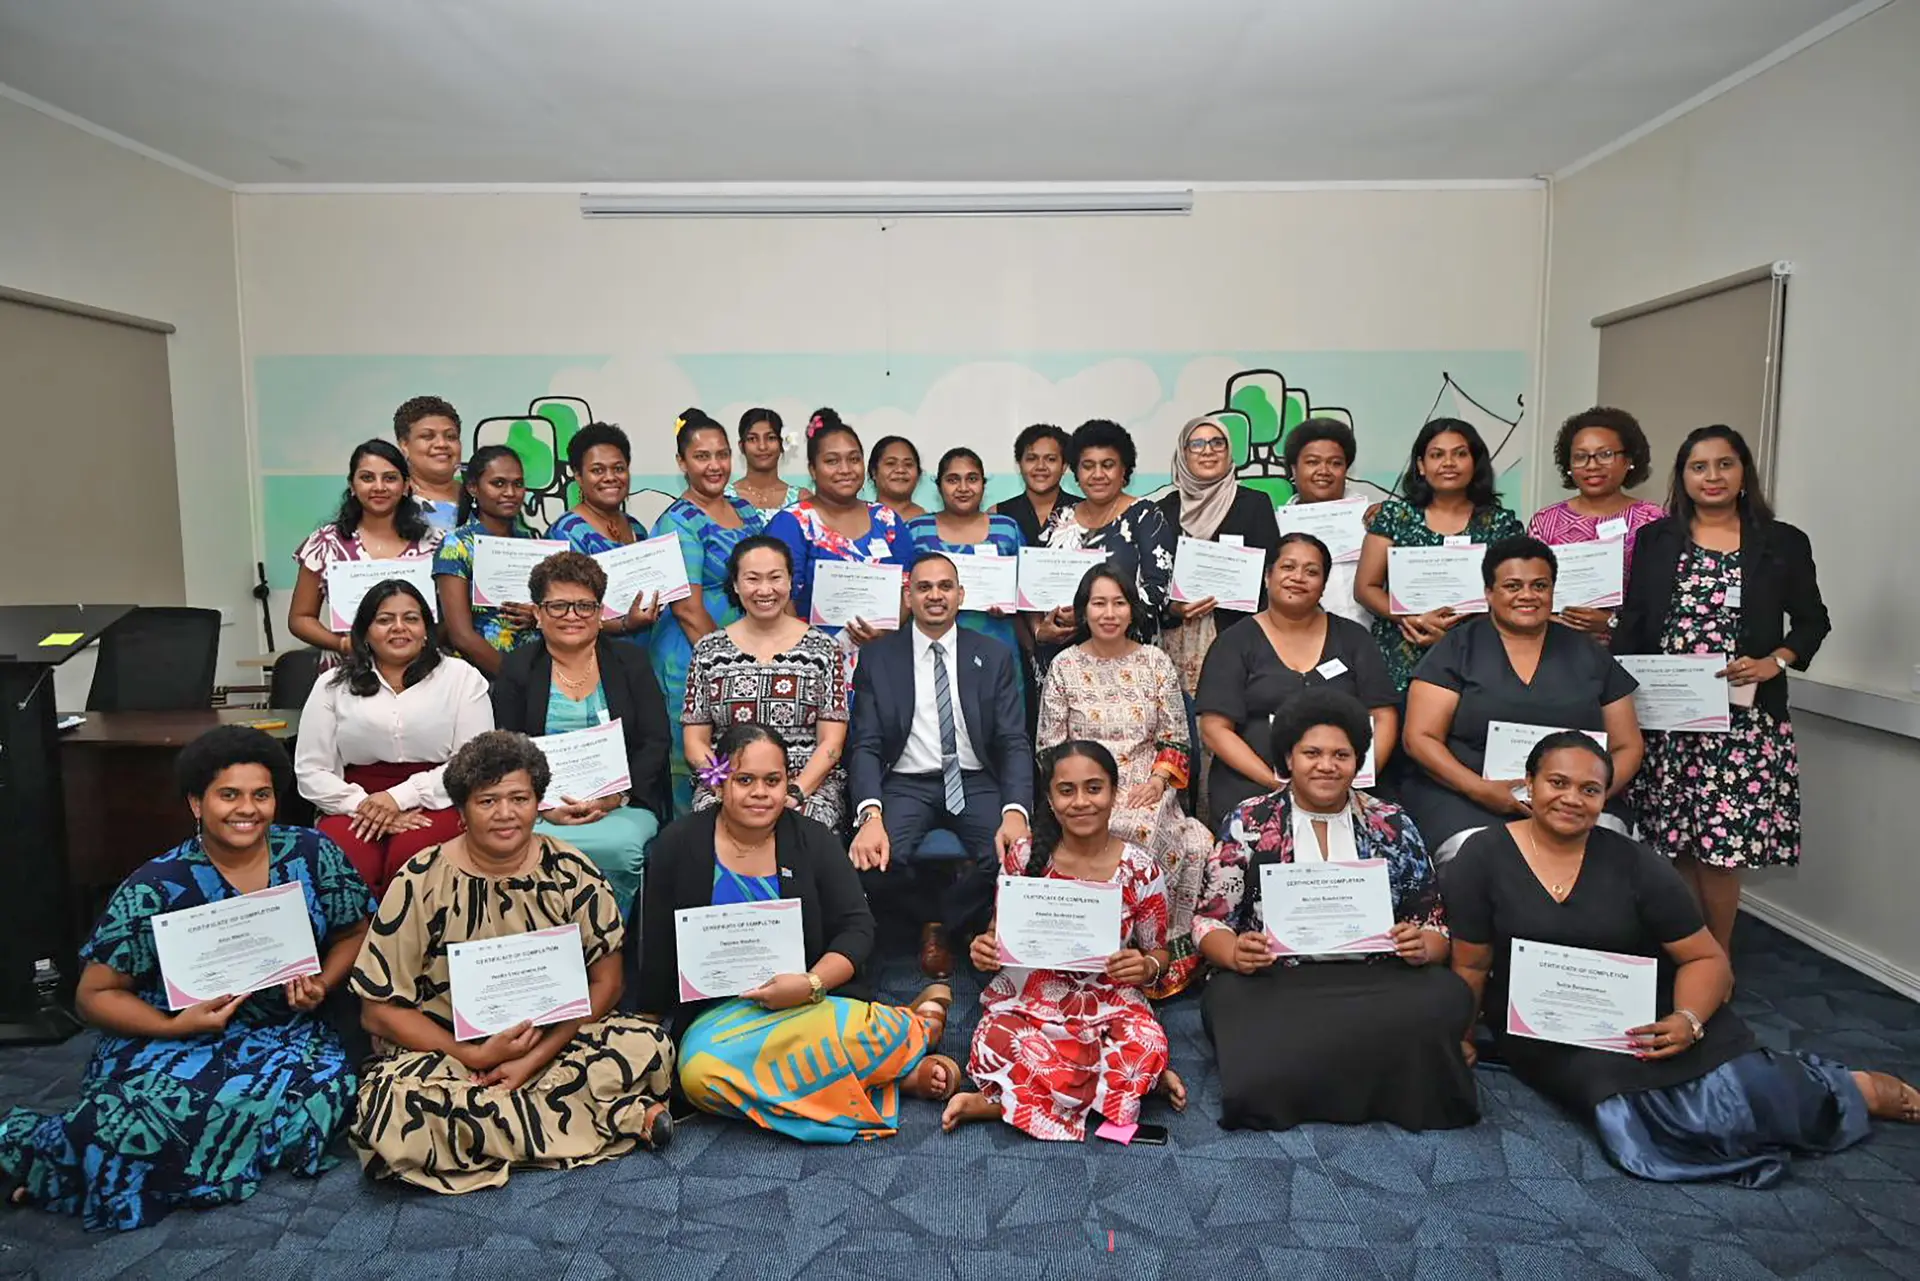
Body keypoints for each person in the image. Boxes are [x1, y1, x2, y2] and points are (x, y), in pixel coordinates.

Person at [1445, 733, 1916, 1186]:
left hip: (1650, 1004)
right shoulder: (1483, 856)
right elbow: (1470, 963)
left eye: (1590, 789)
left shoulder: (1636, 862)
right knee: (1633, 1118)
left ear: (1606, 797)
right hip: (1549, 1021)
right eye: (1557, 783)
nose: (1572, 798)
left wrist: (1687, 1019)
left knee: (1747, 1088)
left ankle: (1848, 1088)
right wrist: (1460, 1035)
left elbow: (1706, 959)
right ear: (1528, 783)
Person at [0, 727, 373, 1231]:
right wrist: (175, 1026)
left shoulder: (310, 853)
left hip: (286, 1032)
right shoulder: (156, 883)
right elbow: (93, 995)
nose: (248, 809)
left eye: (261, 795)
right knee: (132, 1121)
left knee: (295, 1103)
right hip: (173, 1033)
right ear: (197, 802)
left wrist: (323, 984)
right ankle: (64, 1159)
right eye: (229, 795)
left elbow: (355, 929)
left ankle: (81, 1171)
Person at [349, 731, 675, 1194]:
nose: (505, 814)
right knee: (394, 1103)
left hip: (558, 1038)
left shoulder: (571, 868)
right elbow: (377, 1010)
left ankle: (490, 1134)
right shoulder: (421, 878)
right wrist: (473, 1054)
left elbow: (608, 982)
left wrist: (535, 1056)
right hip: (449, 1050)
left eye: (519, 798)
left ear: (539, 802)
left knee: (648, 1043)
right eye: (487, 801)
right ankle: (609, 1117)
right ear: (461, 812)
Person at [637, 723, 961, 1143]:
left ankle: (898, 1041)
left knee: (828, 1037)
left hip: (808, 1006)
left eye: (772, 781)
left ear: (788, 784)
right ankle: (894, 1071)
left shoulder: (812, 839)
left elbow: (858, 929)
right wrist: (646, 1028)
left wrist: (808, 984)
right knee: (699, 1077)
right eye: (745, 780)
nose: (760, 793)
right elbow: (659, 944)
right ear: (718, 785)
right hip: (721, 1021)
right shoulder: (677, 845)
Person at [1196, 691, 1477, 1132]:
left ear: (1357, 761)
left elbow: (1433, 924)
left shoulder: (1392, 821)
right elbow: (1210, 920)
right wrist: (1235, 953)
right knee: (1227, 999)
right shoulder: (1248, 820)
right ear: (1288, 757)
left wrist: (1421, 945)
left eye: (1341, 755)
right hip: (1277, 980)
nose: (1326, 765)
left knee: (1447, 994)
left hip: (1376, 976)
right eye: (1312, 753)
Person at [1615, 425, 1829, 956]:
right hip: (1669, 717)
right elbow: (1638, 621)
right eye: (1698, 466)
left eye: (1724, 464)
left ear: (1743, 474)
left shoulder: (1782, 542)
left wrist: (1774, 662)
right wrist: (1616, 690)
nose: (1712, 476)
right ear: (1682, 477)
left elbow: (1812, 622)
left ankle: (1719, 956)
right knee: (1678, 844)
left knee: (1721, 848)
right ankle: (1690, 950)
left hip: (1741, 723)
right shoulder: (1657, 539)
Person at [942, 741, 1185, 1140]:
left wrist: (1146, 966)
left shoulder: (1140, 869)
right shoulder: (1024, 857)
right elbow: (996, 934)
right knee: (995, 1039)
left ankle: (1004, 1101)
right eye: (1066, 790)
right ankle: (1124, 1089)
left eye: (1094, 788)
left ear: (1113, 793)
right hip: (1030, 1002)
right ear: (1051, 799)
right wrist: (984, 949)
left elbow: (1158, 951)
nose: (1081, 802)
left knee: (1145, 1043)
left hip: (1108, 1003)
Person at [1400, 536, 1644, 863]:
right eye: (1513, 586)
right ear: (1489, 593)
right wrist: (1480, 789)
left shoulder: (1588, 652)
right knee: (1473, 856)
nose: (1527, 595)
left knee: (1610, 854)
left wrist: (1588, 793)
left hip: (1576, 799)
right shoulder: (1457, 648)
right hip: (1470, 797)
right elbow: (1420, 738)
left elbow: (1628, 745)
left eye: (1539, 585)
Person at [848, 552, 1033, 980]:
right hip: (906, 782)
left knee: (1018, 856)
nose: (935, 595)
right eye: (924, 587)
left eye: (945, 587)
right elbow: (867, 745)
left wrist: (1015, 811)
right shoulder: (878, 657)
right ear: (908, 597)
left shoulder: (993, 654)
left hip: (973, 780)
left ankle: (940, 925)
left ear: (960, 595)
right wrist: (870, 815)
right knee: (871, 860)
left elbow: (1012, 741)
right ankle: (946, 924)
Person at [1037, 566, 1213, 997]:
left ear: (1131, 609)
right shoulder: (1065, 665)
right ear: (1084, 611)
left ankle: (1148, 957)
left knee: (1150, 828)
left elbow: (1176, 738)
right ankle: (1090, 948)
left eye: (1118, 602)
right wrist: (1076, 784)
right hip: (1084, 778)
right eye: (1099, 603)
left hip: (1144, 778)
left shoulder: (1155, 662)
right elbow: (1048, 746)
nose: (1109, 612)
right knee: (1100, 822)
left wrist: (1158, 780)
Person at [489, 551, 673, 914]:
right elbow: (506, 749)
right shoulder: (518, 667)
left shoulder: (630, 663)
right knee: (523, 844)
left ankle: (610, 945)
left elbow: (655, 741)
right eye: (558, 606)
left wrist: (613, 798)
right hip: (541, 808)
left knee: (621, 847)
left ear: (601, 614)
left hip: (621, 804)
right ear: (538, 614)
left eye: (584, 606)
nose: (572, 616)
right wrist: (544, 805)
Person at [294, 580, 492, 895]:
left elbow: (474, 762)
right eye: (384, 620)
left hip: (439, 798)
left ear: (427, 628)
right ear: (365, 632)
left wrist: (398, 798)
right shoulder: (332, 684)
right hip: (355, 802)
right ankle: (354, 943)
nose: (399, 628)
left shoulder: (461, 678)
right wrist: (365, 805)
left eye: (411, 618)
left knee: (414, 856)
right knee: (344, 857)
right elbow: (311, 769)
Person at [1197, 532, 1399, 824]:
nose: (1298, 577)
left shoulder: (1354, 638)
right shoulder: (1234, 642)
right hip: (1255, 786)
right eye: (1288, 567)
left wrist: (1354, 779)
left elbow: (1384, 717)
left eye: (1311, 571)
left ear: (1323, 585)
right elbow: (1215, 730)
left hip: (1345, 787)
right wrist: (1276, 784)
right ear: (1268, 576)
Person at [682, 536, 850, 829]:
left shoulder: (824, 648)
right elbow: (695, 742)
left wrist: (794, 792)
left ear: (790, 582)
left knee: (803, 828)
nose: (765, 590)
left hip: (805, 784)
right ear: (735, 584)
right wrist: (725, 787)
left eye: (775, 578)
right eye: (752, 579)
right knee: (711, 825)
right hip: (726, 785)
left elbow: (831, 742)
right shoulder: (708, 650)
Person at [1355, 417, 1525, 693]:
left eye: (1460, 454)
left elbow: (1513, 591)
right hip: (1401, 648)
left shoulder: (1501, 523)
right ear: (1421, 466)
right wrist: (1412, 619)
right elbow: (1365, 587)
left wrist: (1455, 633)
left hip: (1476, 651)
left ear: (1475, 463)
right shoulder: (1394, 516)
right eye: (1437, 455)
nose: (1448, 463)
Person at [651, 411, 765, 813]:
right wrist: (731, 665)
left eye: (722, 454)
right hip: (695, 656)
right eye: (702, 456)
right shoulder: (676, 521)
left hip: (750, 652)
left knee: (747, 761)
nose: (714, 465)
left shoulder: (747, 512)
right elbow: (686, 608)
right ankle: (693, 857)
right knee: (699, 767)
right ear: (682, 462)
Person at [762, 409, 912, 656]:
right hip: (809, 661)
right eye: (832, 461)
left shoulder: (886, 519)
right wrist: (813, 650)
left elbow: (909, 585)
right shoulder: (793, 523)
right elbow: (777, 596)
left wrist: (886, 631)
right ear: (812, 469)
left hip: (883, 658)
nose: (845, 469)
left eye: (853, 459)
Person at [1155, 414, 1282, 697]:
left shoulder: (1254, 503)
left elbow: (1271, 574)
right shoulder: (1163, 510)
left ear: (1228, 452)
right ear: (1183, 454)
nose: (1208, 450)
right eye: (1196, 444)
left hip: (1237, 634)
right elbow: (1152, 579)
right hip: (1179, 638)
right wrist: (1172, 608)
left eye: (1217, 443)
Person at [1034, 419, 1175, 673]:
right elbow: (1033, 589)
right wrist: (1040, 629)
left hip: (1127, 665)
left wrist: (1085, 617)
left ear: (1124, 471)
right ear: (1076, 472)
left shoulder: (1145, 516)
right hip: (1062, 664)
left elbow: (1156, 594)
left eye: (1107, 465)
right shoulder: (1059, 520)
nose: (1097, 474)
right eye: (1088, 466)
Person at [288, 439, 442, 666]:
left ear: (406, 485)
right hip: (349, 670)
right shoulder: (325, 543)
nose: (379, 487)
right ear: (352, 485)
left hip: (420, 669)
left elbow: (452, 617)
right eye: (367, 478)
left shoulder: (434, 542)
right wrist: (342, 644)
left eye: (390, 478)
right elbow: (300, 619)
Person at [1528, 407, 1666, 643]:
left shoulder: (1652, 519)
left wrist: (1611, 623)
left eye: (1605, 454)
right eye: (1581, 456)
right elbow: (1528, 587)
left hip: (1628, 651)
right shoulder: (1545, 522)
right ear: (1569, 465)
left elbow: (1662, 597)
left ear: (1628, 461)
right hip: (1554, 649)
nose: (1592, 465)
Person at [906, 446, 1026, 697]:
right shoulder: (916, 529)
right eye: (953, 480)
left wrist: (1012, 604)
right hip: (931, 647)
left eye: (972, 479)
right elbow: (903, 590)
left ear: (983, 484)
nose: (963, 488)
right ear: (939, 486)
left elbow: (1027, 589)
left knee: (1001, 723)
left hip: (997, 643)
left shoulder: (1007, 528)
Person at [545, 420, 663, 663]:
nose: (610, 477)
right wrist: (624, 624)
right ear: (578, 475)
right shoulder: (567, 533)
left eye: (618, 468)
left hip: (640, 661)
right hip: (591, 665)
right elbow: (566, 612)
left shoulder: (637, 528)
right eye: (598, 470)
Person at [434, 444, 542, 676]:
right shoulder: (457, 545)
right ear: (473, 487)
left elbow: (550, 612)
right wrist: (513, 681)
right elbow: (461, 636)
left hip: (538, 669)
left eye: (518, 484)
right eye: (498, 483)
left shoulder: (531, 543)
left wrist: (538, 616)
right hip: (484, 680)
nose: (511, 493)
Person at [1280, 416, 1372, 626]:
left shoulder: (1374, 517)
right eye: (1312, 462)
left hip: (1369, 642)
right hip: (1302, 643)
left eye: (1335, 463)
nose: (1323, 471)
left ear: (1346, 470)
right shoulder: (1275, 526)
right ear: (1294, 469)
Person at [994, 422, 1078, 547]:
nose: (1040, 466)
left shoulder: (1084, 511)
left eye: (1051, 459)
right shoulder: (998, 514)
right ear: (1019, 465)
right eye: (1032, 458)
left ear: (1064, 466)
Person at [393, 395, 465, 532]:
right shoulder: (391, 500)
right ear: (404, 445)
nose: (442, 444)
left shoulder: (481, 496)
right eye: (427, 436)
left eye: (451, 437)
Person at [726, 406, 809, 514]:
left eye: (771, 438)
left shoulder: (800, 499)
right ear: (741, 447)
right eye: (752, 439)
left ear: (782, 444)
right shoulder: (724, 498)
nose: (762, 447)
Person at [869, 433, 928, 519]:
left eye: (908, 464)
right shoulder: (862, 520)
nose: (900, 470)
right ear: (874, 472)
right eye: (891, 463)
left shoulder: (930, 523)